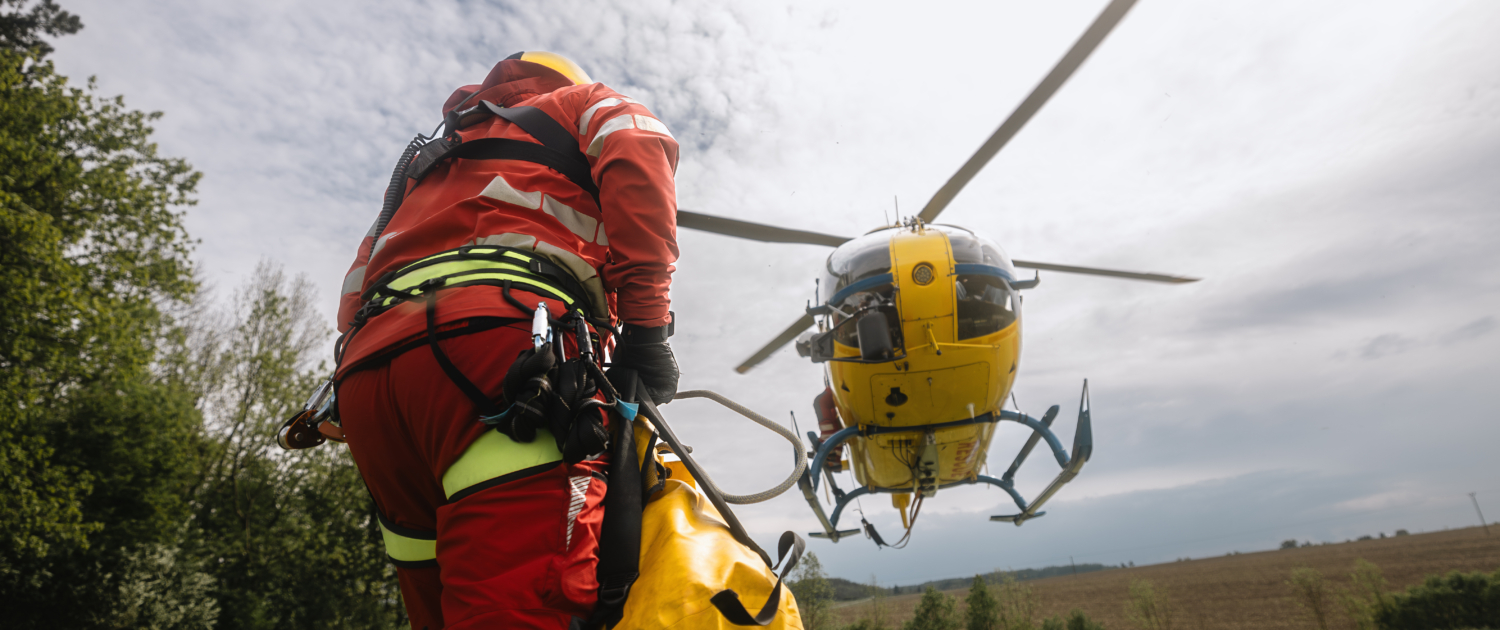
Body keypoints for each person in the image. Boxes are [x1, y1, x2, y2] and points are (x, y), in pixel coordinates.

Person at [331, 51, 680, 630]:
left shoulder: (432, 161)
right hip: (501, 354)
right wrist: (644, 327)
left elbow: (355, 284)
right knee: (519, 608)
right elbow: (638, 145)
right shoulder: (581, 102)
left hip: (370, 380)